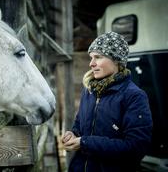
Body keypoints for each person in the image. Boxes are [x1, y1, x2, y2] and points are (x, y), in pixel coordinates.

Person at [61, 31, 153, 172]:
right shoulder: (89, 90)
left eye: (98, 57)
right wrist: (73, 134)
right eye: (91, 58)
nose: (91, 64)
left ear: (116, 60)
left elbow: (135, 148)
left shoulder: (134, 96)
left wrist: (85, 142)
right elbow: (80, 126)